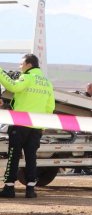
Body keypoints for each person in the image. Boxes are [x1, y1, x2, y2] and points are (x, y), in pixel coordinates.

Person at [0, 54, 55, 198]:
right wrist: (42, 126)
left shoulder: (27, 77)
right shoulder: (47, 83)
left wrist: (0, 72)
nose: (20, 66)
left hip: (20, 124)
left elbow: (14, 87)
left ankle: (9, 187)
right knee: (31, 157)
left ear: (29, 64)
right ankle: (30, 189)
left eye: (21, 63)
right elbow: (50, 107)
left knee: (14, 155)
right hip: (36, 126)